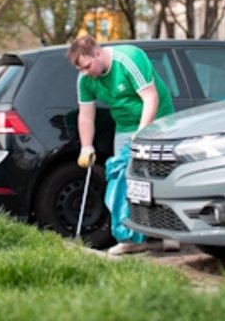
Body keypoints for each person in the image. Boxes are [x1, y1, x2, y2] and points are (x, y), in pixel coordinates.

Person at [70, 35, 176, 255]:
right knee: (123, 181)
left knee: (157, 177)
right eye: (81, 69)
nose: (86, 72)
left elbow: (150, 98)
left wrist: (142, 133)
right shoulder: (85, 79)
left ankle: (170, 234)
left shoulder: (129, 59)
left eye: (88, 65)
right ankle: (131, 238)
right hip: (124, 127)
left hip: (158, 122)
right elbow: (86, 116)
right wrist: (86, 146)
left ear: (97, 53)